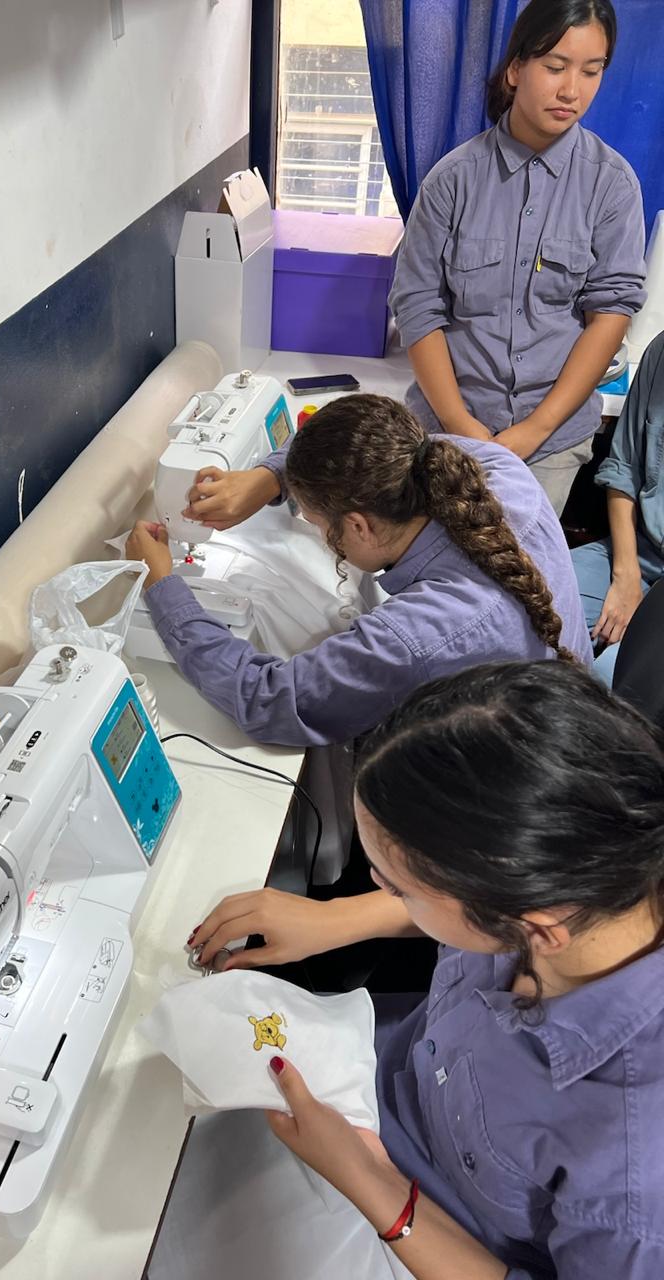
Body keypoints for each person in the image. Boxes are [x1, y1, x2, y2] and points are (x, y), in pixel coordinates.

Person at [149, 662, 664, 1280]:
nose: (380, 890)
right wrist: (336, 918)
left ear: (529, 924)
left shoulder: (634, 1178)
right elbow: (463, 912)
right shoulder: (592, 877)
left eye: (399, 887)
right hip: (390, 1088)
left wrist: (374, 1185)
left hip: (426, 1230)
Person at [126, 394, 590, 749]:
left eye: (316, 522)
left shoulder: (413, 639)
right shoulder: (495, 468)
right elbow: (368, 441)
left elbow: (266, 699)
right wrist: (270, 477)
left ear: (359, 526)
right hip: (576, 715)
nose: (316, 530)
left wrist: (163, 586)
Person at [388, 0, 646, 516]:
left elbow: (611, 312)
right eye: (555, 66)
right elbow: (418, 307)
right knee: (430, 561)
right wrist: (461, 426)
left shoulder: (612, 184)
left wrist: (536, 429)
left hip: (551, 444)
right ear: (515, 70)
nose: (571, 90)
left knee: (518, 565)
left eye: (591, 71)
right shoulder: (452, 180)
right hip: (446, 430)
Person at [572, 329, 664, 683]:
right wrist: (626, 576)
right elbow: (623, 468)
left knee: (611, 676)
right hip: (641, 551)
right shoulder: (660, 351)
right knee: (523, 607)